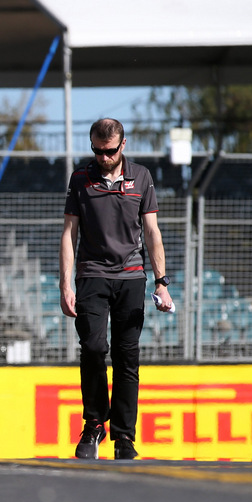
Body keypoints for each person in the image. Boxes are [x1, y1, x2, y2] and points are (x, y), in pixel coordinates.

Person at [60, 117, 174, 461]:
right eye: (96, 150)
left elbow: (152, 232)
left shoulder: (141, 177)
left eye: (108, 151)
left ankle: (124, 436)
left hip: (131, 277)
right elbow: (69, 232)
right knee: (93, 348)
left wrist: (162, 282)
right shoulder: (80, 178)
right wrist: (65, 283)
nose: (102, 157)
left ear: (122, 146)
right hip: (91, 274)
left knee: (127, 357)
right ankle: (94, 422)